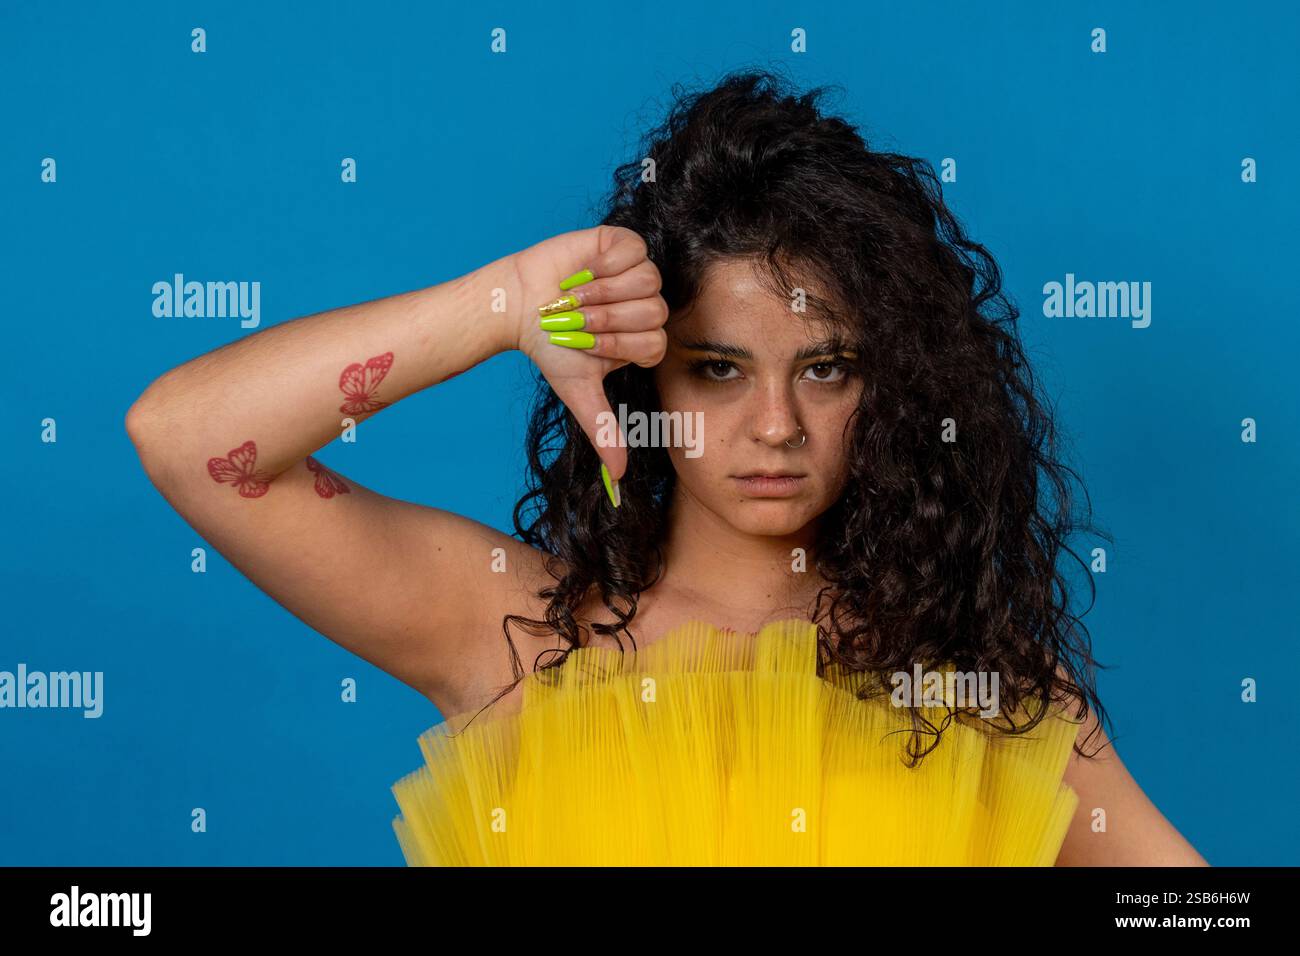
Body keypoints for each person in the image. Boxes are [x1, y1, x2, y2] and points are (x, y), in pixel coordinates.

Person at [126, 69, 1207, 866]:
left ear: (894, 388)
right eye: (719, 370)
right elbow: (189, 440)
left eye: (826, 368)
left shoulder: (974, 683)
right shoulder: (515, 633)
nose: (774, 425)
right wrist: (506, 303)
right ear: (644, 380)